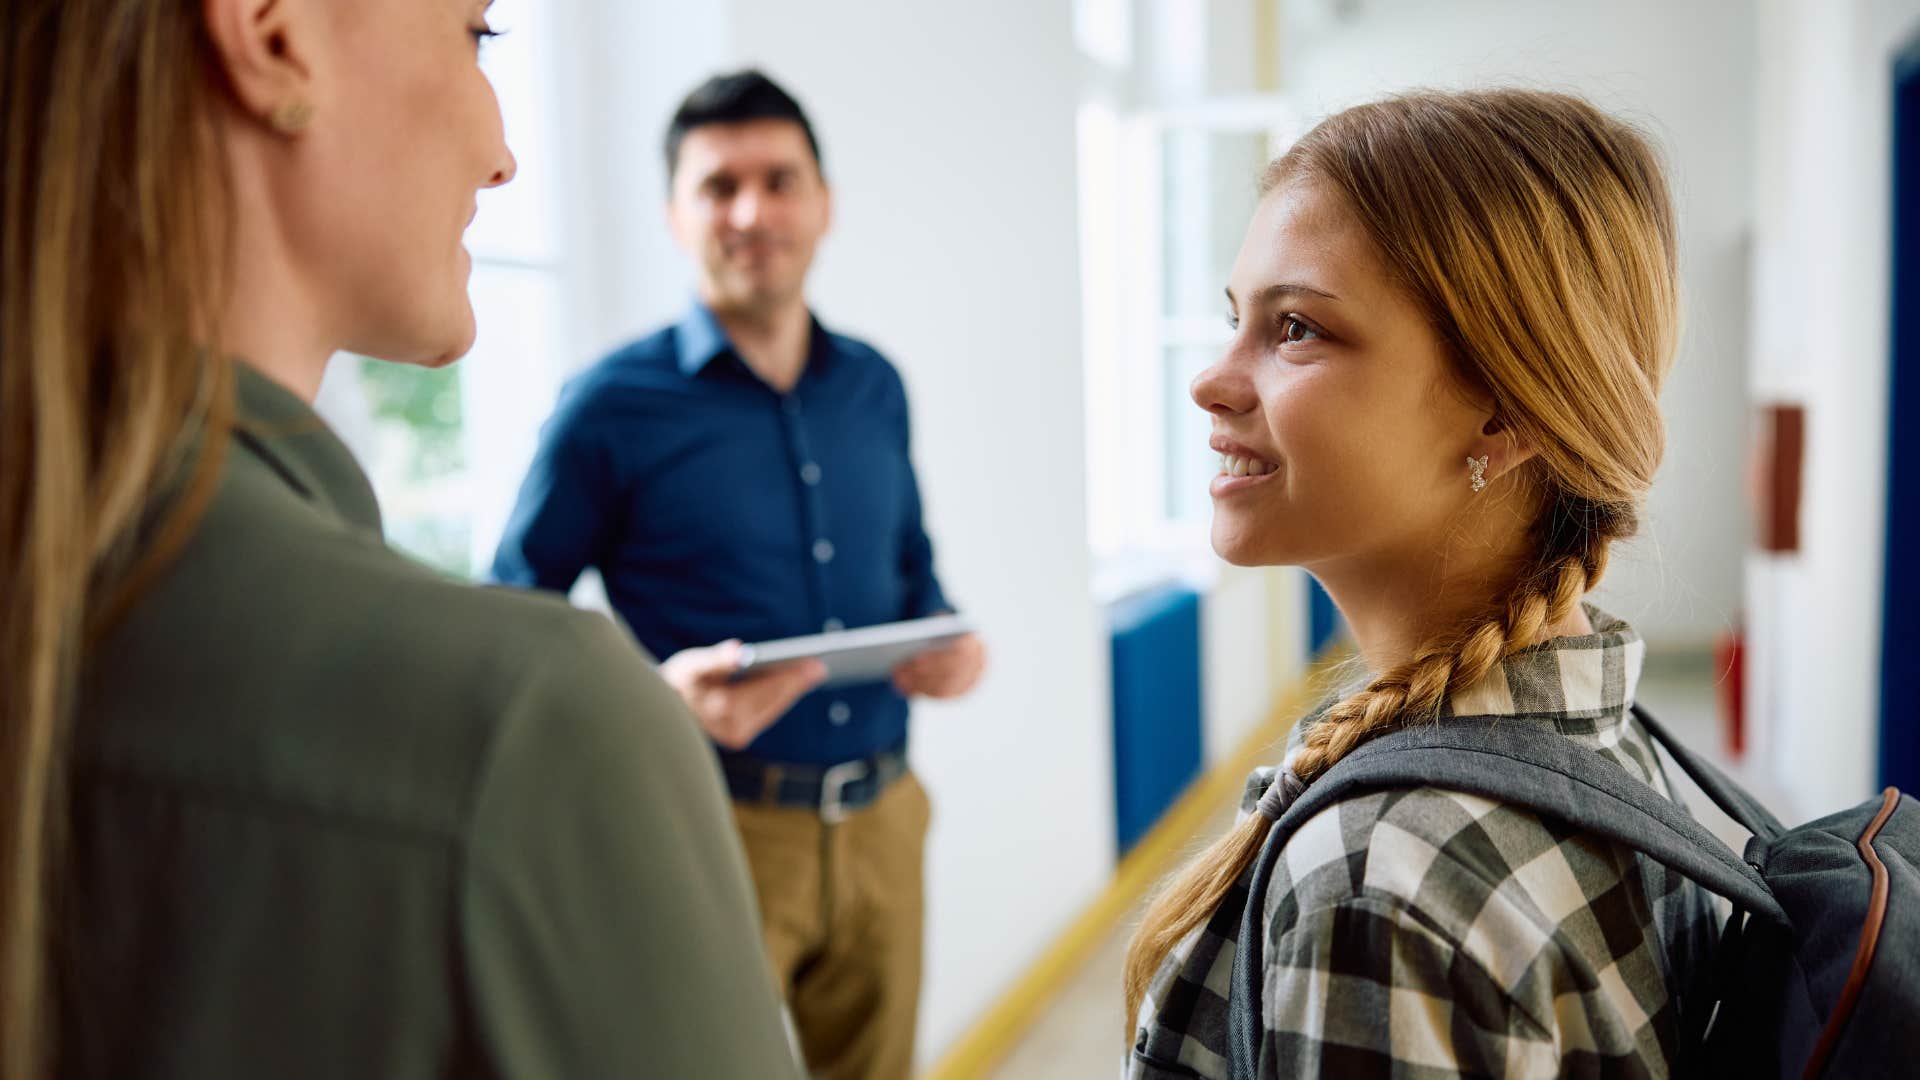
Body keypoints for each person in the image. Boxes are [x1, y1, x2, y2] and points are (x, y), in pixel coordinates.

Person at [0, 2, 800, 1077]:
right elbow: (527, 588)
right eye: (477, 34)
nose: (504, 154)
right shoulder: (541, 722)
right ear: (274, 35)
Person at [1123, 89, 1721, 1077]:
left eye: (1296, 329)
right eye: (1236, 318)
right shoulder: (1613, 736)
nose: (1211, 380)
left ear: (1504, 416)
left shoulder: (1378, 880)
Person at [491, 69, 985, 1080]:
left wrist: (947, 639)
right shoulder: (607, 409)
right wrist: (658, 702)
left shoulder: (875, 386)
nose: (752, 212)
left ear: (823, 204)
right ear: (677, 215)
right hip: (710, 832)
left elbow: (912, 571)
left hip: (888, 822)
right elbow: (508, 631)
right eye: (719, 187)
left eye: (778, 180)